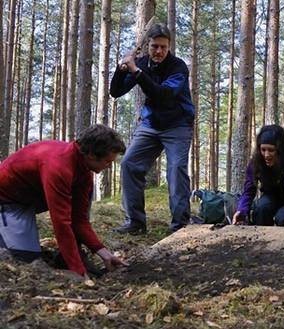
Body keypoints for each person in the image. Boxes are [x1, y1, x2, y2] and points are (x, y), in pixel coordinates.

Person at [0, 124, 128, 278]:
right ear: (92, 155)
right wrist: (79, 272)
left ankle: (69, 255)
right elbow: (61, 222)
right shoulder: (58, 166)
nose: (109, 166)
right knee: (24, 260)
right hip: (6, 200)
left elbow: (79, 220)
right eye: (107, 162)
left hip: (29, 198)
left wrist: (104, 253)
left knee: (85, 192)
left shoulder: (84, 172)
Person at [110, 23, 195, 234]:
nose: (159, 51)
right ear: (148, 45)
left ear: (169, 47)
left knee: (176, 171)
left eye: (163, 47)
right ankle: (135, 223)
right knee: (129, 164)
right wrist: (121, 69)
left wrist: (136, 70)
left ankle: (180, 226)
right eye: (155, 46)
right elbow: (116, 91)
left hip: (178, 125)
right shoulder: (141, 64)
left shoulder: (178, 67)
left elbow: (163, 95)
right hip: (150, 125)